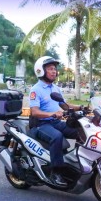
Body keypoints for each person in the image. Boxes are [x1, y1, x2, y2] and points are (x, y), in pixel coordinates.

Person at [29, 56, 83, 186]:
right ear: (41, 71)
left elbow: (64, 106)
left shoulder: (55, 88)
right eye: (50, 69)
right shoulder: (36, 89)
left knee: (80, 132)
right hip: (41, 124)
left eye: (55, 69)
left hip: (56, 122)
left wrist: (82, 108)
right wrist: (52, 114)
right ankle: (56, 172)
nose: (54, 71)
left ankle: (77, 163)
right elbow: (34, 112)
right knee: (57, 137)